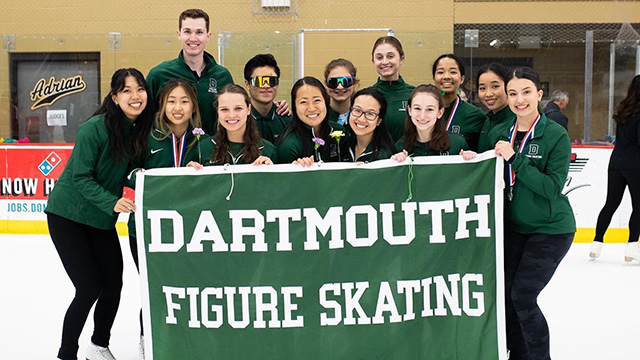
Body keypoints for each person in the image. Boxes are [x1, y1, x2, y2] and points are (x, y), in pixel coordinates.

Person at [45, 68, 154, 360]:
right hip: (68, 216)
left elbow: (133, 173)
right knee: (88, 287)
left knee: (113, 285)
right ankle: (67, 353)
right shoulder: (93, 128)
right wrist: (113, 202)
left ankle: (98, 345)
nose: (135, 96)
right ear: (115, 97)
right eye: (127, 90)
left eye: (140, 89)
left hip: (101, 219)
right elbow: (80, 178)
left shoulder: (141, 131)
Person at [489, 67, 575, 360]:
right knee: (507, 298)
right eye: (512, 93)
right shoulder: (499, 133)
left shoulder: (555, 135)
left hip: (551, 229)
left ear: (539, 94)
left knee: (523, 296)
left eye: (526, 92)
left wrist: (517, 159)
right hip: (514, 227)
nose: (519, 99)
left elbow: (552, 188)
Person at [145, 9, 233, 136]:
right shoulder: (159, 75)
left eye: (199, 32)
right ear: (179, 34)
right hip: (171, 152)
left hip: (210, 151)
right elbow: (146, 117)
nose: (193, 38)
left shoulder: (222, 76)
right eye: (187, 32)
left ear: (208, 36)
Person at [589, 75, 640, 262]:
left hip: (616, 163)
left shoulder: (624, 111)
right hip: (635, 165)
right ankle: (632, 247)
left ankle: (596, 244)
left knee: (611, 204)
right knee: (639, 207)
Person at [189, 84, 277, 168]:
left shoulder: (267, 150)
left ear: (248, 109)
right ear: (217, 111)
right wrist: (188, 173)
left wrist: (270, 172)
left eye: (238, 108)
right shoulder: (203, 148)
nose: (231, 115)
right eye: (224, 109)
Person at [276, 77, 346, 164]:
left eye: (317, 100)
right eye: (303, 102)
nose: (311, 108)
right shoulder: (289, 146)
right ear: (295, 107)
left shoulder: (339, 132)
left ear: (326, 101)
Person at [392, 84, 469, 160]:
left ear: (440, 113)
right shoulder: (400, 147)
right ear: (409, 110)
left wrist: (470, 158)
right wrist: (396, 162)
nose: (422, 116)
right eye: (417, 108)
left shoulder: (457, 144)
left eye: (430, 109)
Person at [432, 53, 487, 151]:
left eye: (453, 72)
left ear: (462, 79)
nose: (446, 77)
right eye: (440, 72)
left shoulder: (475, 116)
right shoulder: (423, 113)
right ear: (434, 78)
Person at [371, 36, 415, 142]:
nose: (385, 62)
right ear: (373, 60)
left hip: (407, 156)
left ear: (402, 58)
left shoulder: (414, 94)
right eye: (379, 57)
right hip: (377, 158)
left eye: (390, 56)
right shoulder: (367, 96)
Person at [243, 53, 291, 144]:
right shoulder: (239, 118)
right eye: (259, 81)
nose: (266, 86)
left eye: (272, 81)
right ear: (247, 84)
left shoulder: (286, 120)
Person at [343, 88, 395, 162]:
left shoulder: (385, 157)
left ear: (379, 121)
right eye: (357, 110)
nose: (361, 119)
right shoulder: (343, 144)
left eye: (370, 113)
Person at [476, 63, 516, 153]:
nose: (488, 94)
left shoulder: (517, 120)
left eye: (495, 86)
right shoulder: (487, 120)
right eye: (482, 88)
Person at [324, 58, 359, 126]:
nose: (340, 87)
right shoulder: (319, 116)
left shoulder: (362, 116)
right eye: (333, 82)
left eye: (346, 81)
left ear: (354, 83)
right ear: (326, 85)